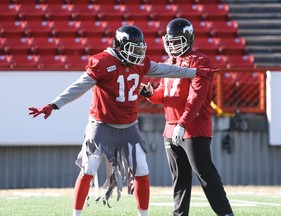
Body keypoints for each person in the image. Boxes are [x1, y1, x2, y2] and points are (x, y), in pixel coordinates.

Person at [28, 25, 216, 216]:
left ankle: (143, 215)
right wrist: (54, 105)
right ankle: (76, 214)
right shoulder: (102, 62)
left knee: (142, 171)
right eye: (132, 49)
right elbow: (79, 86)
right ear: (119, 46)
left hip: (129, 126)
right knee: (88, 170)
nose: (137, 54)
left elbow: (165, 69)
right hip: (100, 125)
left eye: (139, 49)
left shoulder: (140, 63)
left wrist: (194, 72)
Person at [140, 18, 234, 216]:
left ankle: (225, 213)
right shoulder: (168, 62)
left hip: (193, 127)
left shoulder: (199, 61)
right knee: (179, 178)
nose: (172, 45)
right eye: (170, 41)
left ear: (188, 39)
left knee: (205, 174)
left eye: (177, 41)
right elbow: (164, 94)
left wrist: (182, 124)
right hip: (170, 126)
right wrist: (150, 94)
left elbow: (196, 97)